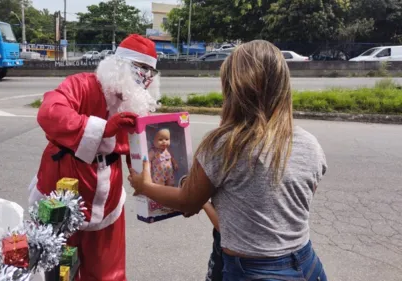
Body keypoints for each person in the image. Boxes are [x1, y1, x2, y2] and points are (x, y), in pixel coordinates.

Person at [128, 40, 328, 281]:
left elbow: (187, 202)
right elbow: (268, 213)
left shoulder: (226, 145)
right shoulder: (310, 144)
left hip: (254, 272)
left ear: (232, 89)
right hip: (308, 266)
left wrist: (144, 186)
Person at [28, 34, 161, 281]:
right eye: (140, 69)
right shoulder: (81, 85)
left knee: (107, 271)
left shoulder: (136, 102)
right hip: (63, 193)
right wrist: (102, 128)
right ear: (119, 66)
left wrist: (149, 181)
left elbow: (137, 148)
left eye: (150, 72)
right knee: (61, 270)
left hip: (108, 196)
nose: (145, 78)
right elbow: (49, 113)